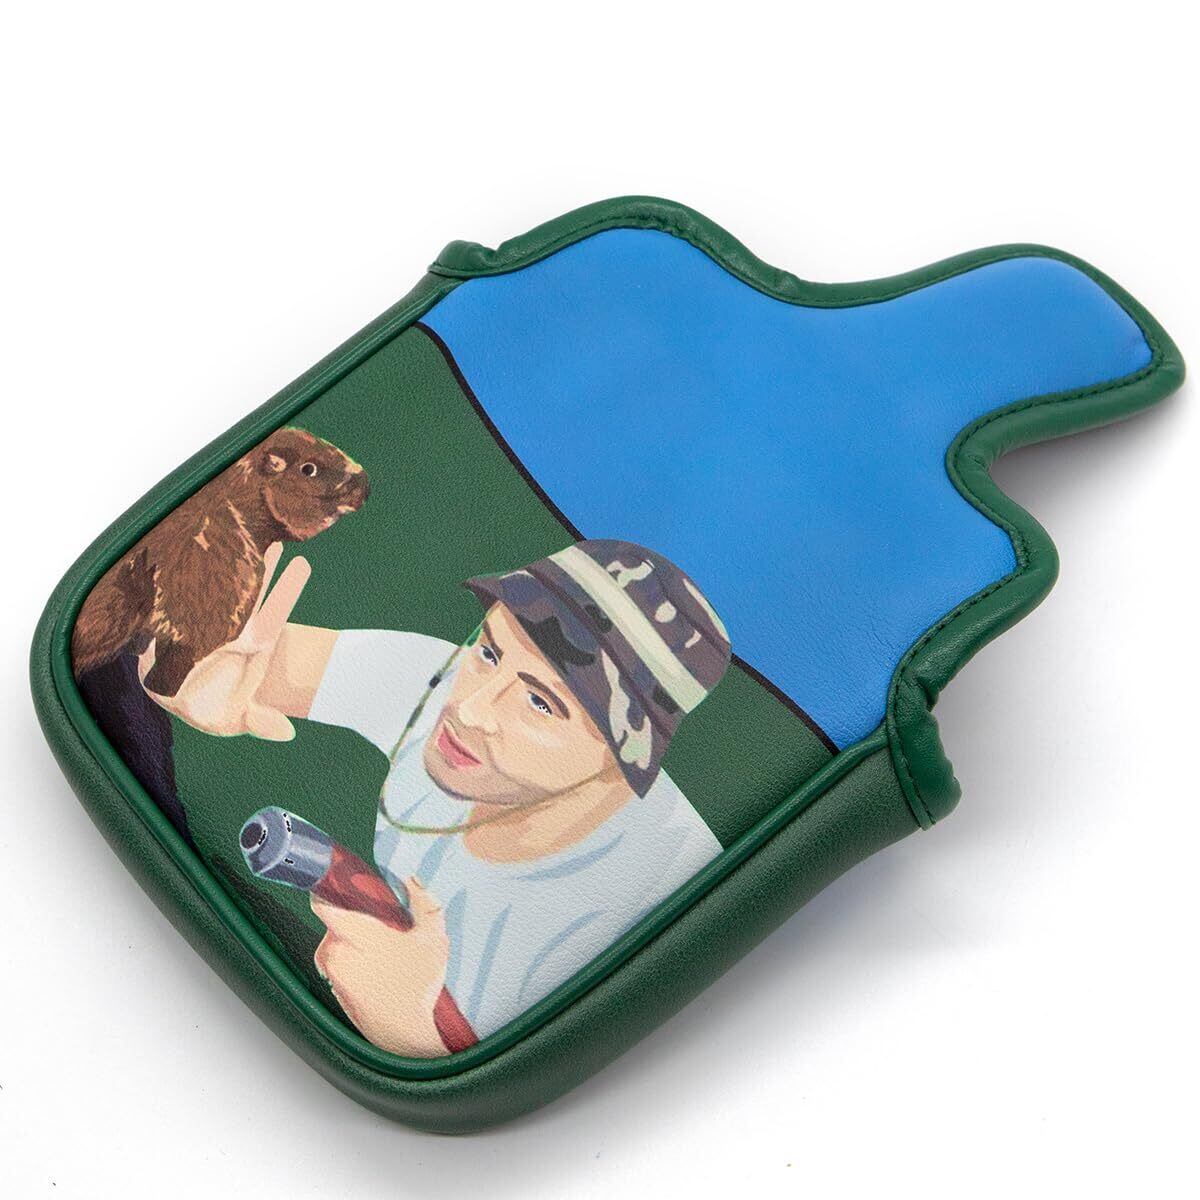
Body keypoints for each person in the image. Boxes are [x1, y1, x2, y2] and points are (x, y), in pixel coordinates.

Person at [140, 539, 731, 1056]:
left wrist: (410, 1027)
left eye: (540, 703)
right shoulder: (443, 682)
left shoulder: (666, 886)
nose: (470, 709)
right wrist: (181, 665)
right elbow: (235, 660)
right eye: (490, 652)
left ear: (623, 759)